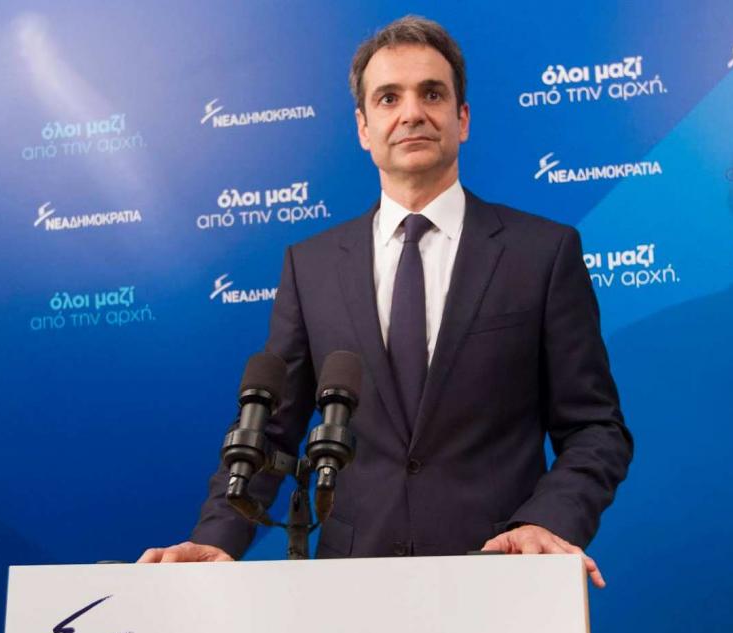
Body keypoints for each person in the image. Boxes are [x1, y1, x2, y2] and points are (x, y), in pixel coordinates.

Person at [139, 16, 632, 585]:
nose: (412, 113)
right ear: (364, 127)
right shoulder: (310, 266)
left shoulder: (542, 253)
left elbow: (596, 428)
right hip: (352, 588)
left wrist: (546, 522)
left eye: (432, 94)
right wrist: (216, 537)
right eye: (389, 98)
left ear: (462, 118)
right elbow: (270, 431)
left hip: (502, 575)